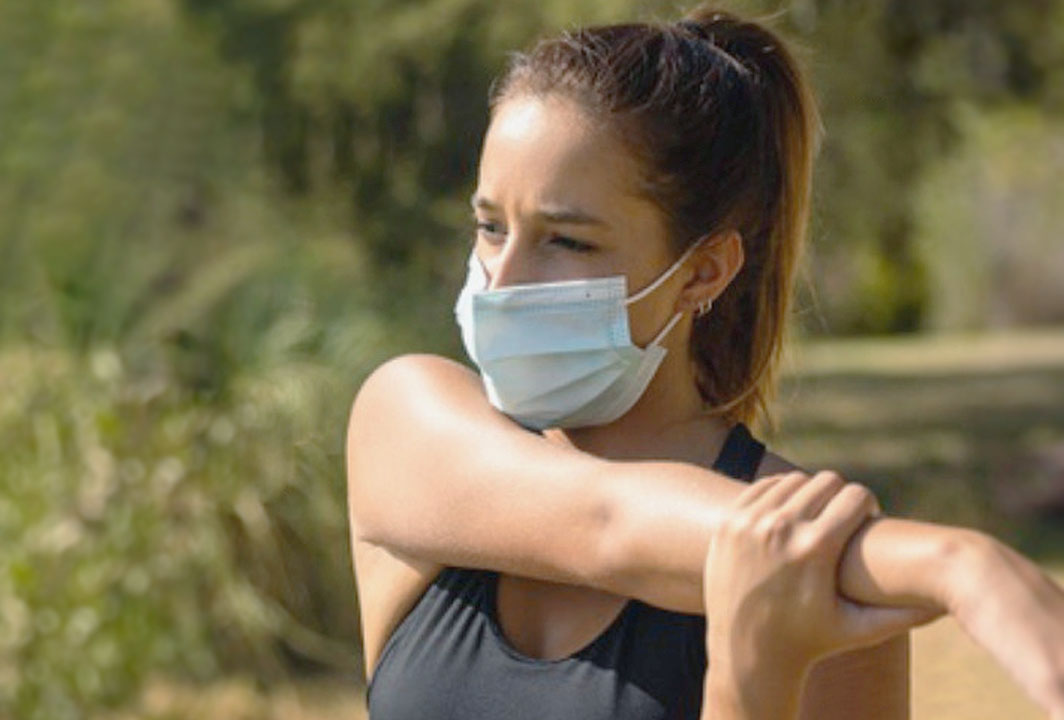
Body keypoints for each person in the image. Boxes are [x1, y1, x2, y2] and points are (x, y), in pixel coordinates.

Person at [345, 8, 1064, 720]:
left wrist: (754, 677)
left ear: (703, 272)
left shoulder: (825, 557)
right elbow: (605, 520)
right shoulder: (408, 422)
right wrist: (961, 567)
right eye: (491, 226)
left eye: (567, 241)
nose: (501, 281)